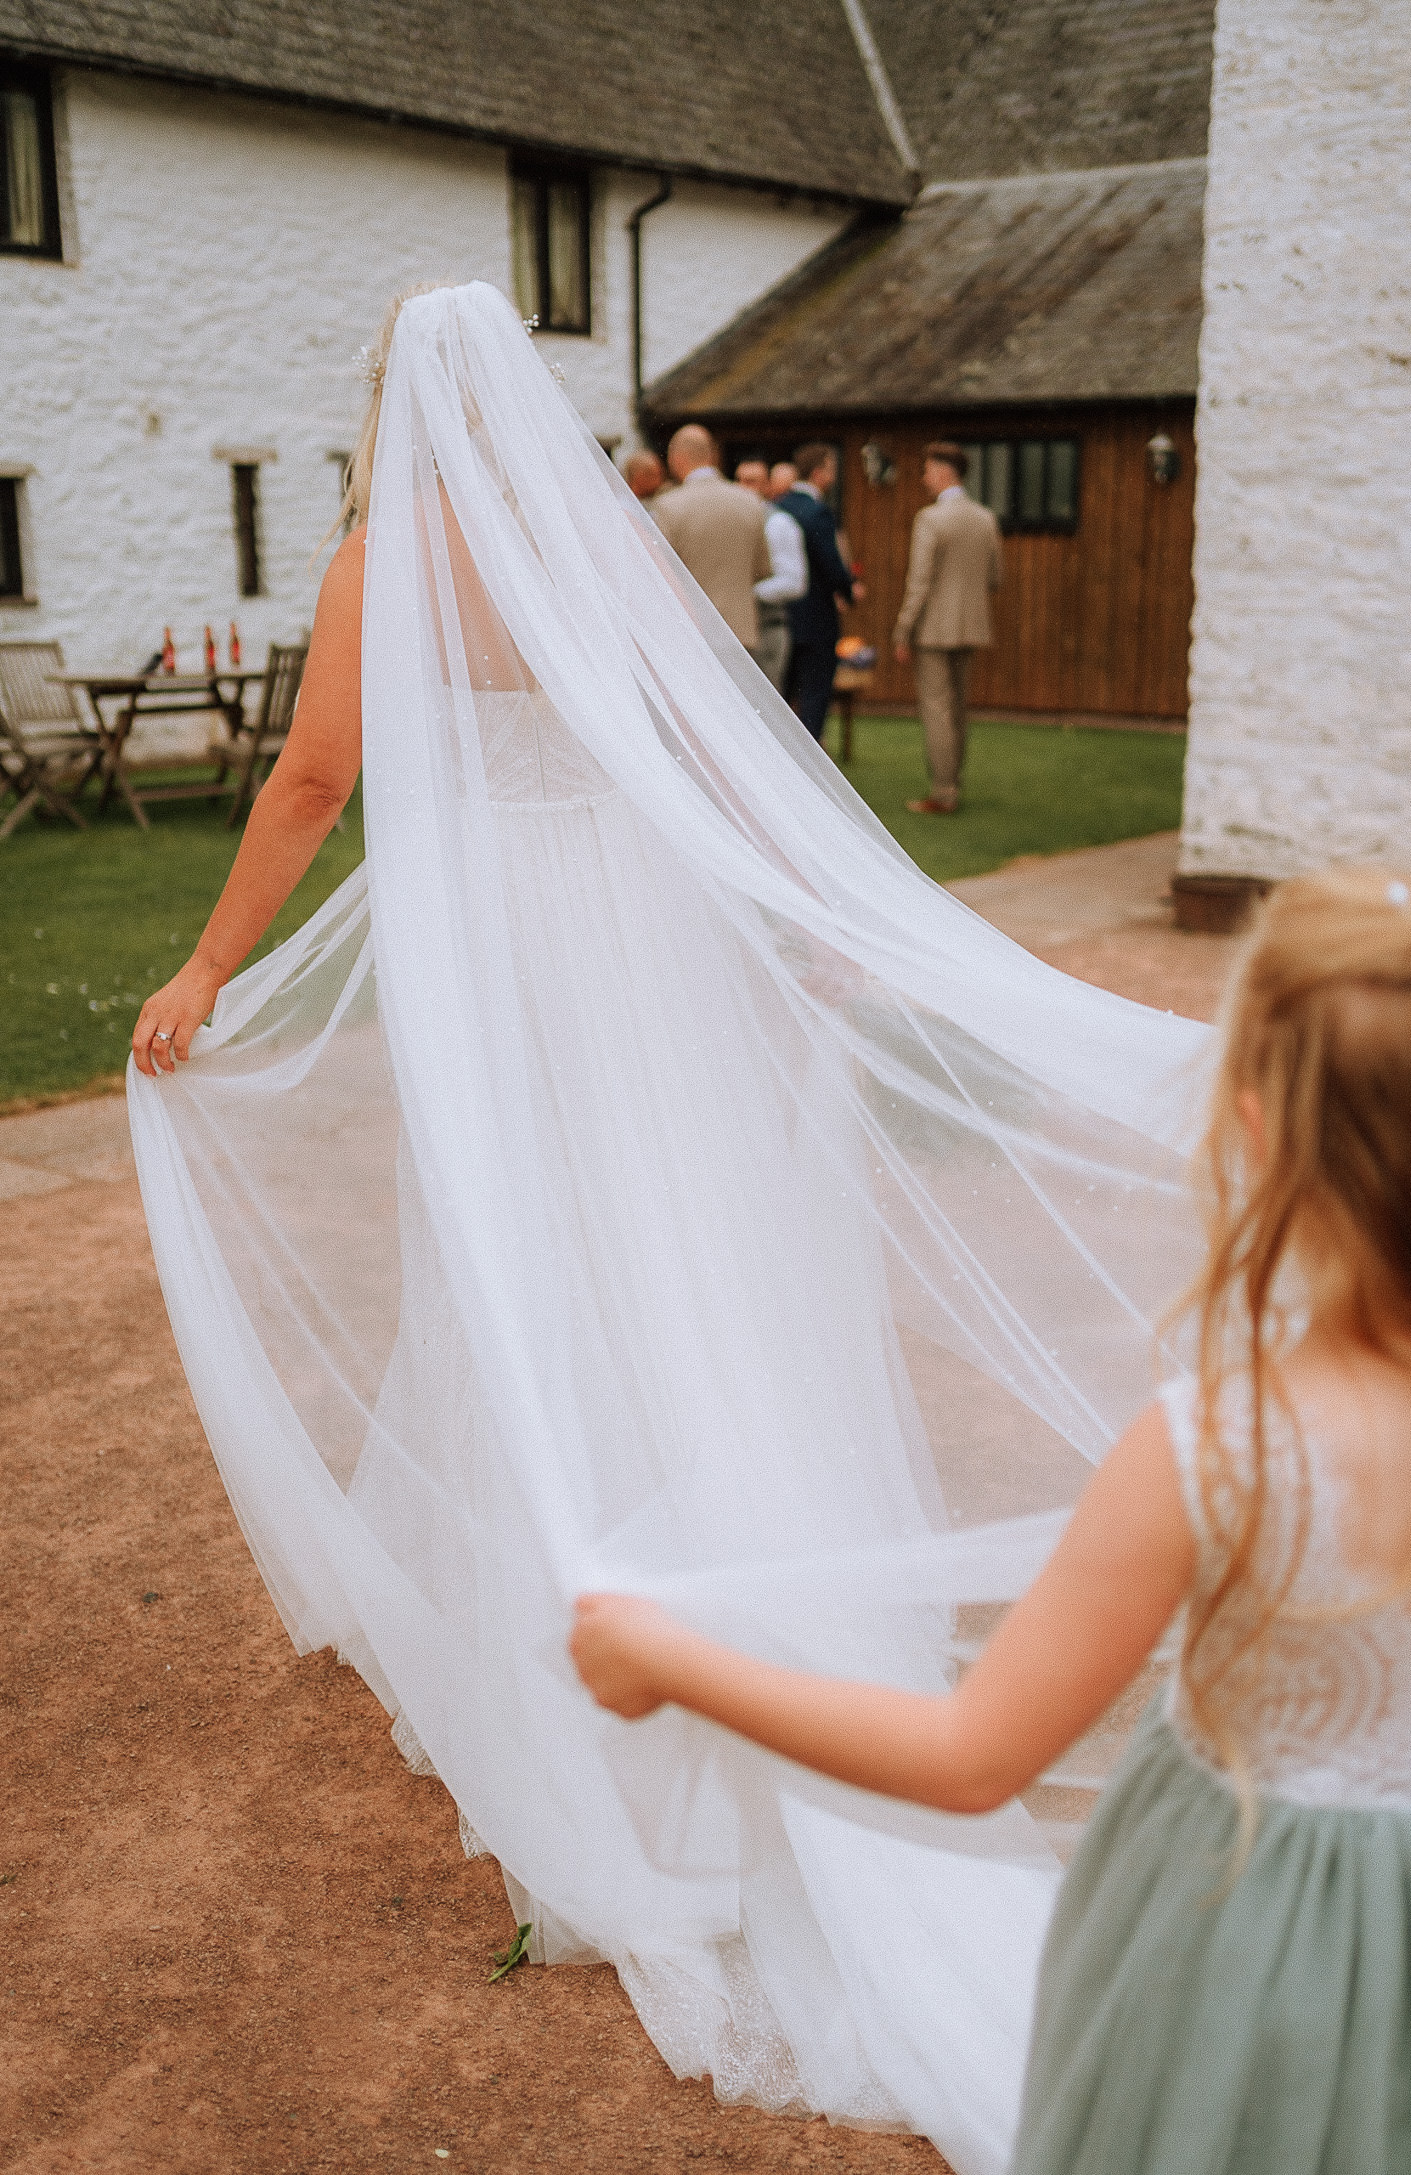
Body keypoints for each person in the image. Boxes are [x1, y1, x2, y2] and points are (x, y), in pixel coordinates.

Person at [128, 281, 1205, 2175]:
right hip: (648, 943)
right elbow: (711, 749)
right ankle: (746, 1582)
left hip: (515, 968)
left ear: (387, 403)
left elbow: (315, 781)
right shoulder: (588, 537)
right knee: (697, 1253)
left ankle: (602, 1649)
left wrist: (213, 963)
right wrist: (800, 930)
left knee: (532, 1267)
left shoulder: (388, 556)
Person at [574, 864, 1411, 2175]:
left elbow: (970, 1753)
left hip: (1228, 1930)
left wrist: (667, 1659)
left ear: (1256, 1129)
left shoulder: (1219, 1444)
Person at [892, 442, 1002, 815]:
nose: (924, 479)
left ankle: (943, 792)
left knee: (937, 709)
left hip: (934, 629)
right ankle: (953, 784)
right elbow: (995, 577)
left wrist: (902, 630)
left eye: (926, 471)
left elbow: (919, 582)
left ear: (942, 472)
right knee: (958, 710)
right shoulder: (986, 518)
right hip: (972, 626)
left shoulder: (930, 519)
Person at [649, 423, 771, 649]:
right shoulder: (750, 501)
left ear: (677, 458)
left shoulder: (668, 506)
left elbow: (660, 573)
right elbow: (763, 569)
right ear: (712, 456)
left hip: (692, 633)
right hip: (740, 632)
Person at [775, 444, 863, 741]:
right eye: (831, 468)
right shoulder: (818, 513)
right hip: (816, 618)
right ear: (818, 472)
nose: (834, 475)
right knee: (814, 696)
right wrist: (849, 592)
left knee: (780, 695)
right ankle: (809, 766)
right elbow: (832, 565)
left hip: (782, 616)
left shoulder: (778, 507)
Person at [734, 457, 807, 693]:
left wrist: (747, 594)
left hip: (766, 628)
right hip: (733, 631)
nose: (745, 487)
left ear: (767, 487)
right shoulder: (731, 520)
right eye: (740, 480)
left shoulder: (778, 523)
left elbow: (794, 582)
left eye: (752, 481)